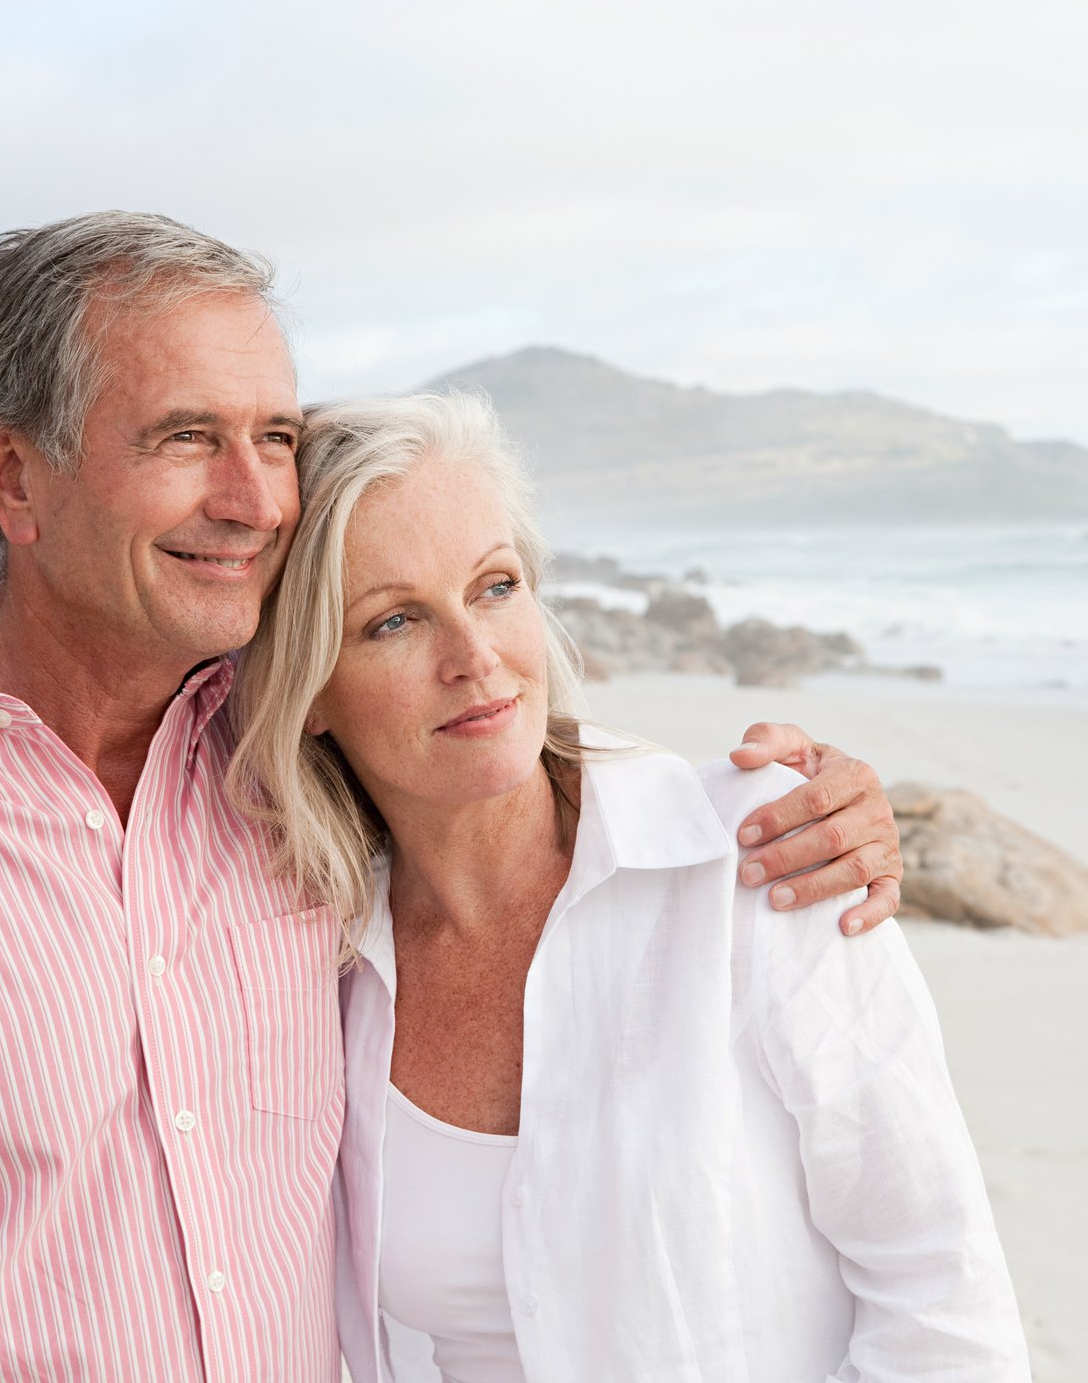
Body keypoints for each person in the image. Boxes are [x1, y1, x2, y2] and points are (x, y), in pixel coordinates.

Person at [0, 212, 906, 1380]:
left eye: (274, 435)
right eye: (185, 437)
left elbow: (476, 728)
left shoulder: (278, 759)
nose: (257, 497)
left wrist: (769, 806)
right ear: (13, 473)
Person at [227, 390, 1029, 1382]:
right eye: (393, 621)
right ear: (305, 692)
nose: (476, 659)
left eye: (494, 586)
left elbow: (943, 1298)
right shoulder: (305, 958)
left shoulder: (762, 853)